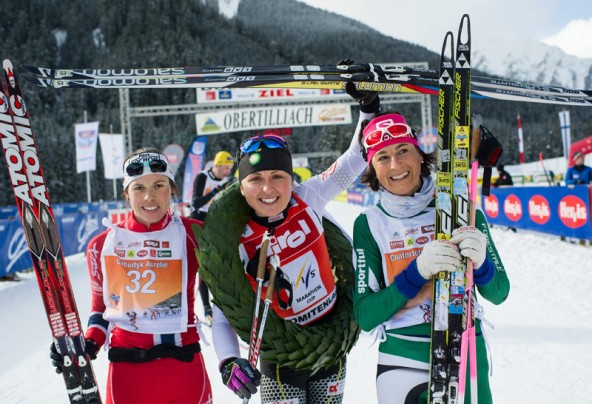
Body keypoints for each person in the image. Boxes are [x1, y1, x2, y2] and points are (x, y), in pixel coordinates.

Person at [198, 83, 379, 403]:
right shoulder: (236, 238)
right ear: (241, 187)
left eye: (277, 176)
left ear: (290, 179)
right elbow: (225, 310)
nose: (268, 188)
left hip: (330, 344)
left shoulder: (308, 198)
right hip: (281, 356)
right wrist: (228, 361)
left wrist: (368, 108)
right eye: (255, 179)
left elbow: (355, 159)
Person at [352, 113, 511, 403]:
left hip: (464, 346)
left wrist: (483, 264)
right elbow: (366, 315)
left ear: (420, 155)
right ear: (372, 170)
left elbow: (499, 292)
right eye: (382, 157)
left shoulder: (460, 207)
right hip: (403, 354)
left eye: (403, 151)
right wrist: (417, 272)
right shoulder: (370, 223)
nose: (396, 165)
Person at [50, 148, 213, 403]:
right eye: (139, 188)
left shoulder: (195, 234)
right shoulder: (102, 244)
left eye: (159, 185)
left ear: (172, 190)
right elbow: (101, 311)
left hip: (184, 369)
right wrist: (86, 346)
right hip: (128, 373)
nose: (149, 196)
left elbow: (227, 291)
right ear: (127, 193)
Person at [191, 150, 236, 324]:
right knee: (204, 266)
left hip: (214, 222)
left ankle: (222, 305)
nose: (228, 172)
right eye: (225, 168)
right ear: (217, 165)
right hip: (198, 220)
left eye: (230, 168)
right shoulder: (203, 177)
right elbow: (196, 203)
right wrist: (217, 189)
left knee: (219, 264)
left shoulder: (227, 180)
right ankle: (206, 308)